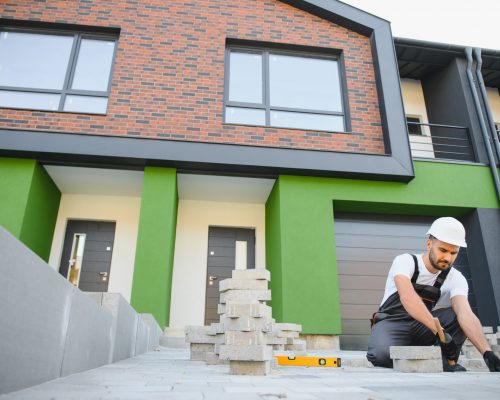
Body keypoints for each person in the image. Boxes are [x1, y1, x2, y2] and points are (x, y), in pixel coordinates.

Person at [366, 217, 500, 372]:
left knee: (458, 316)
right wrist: (439, 331)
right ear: (429, 244)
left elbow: (465, 313)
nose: (447, 258)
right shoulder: (406, 261)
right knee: (380, 355)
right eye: (443, 250)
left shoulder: (455, 277)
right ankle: (410, 351)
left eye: (453, 253)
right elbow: (407, 297)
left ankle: (446, 362)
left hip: (423, 327)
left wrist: (487, 352)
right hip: (392, 322)